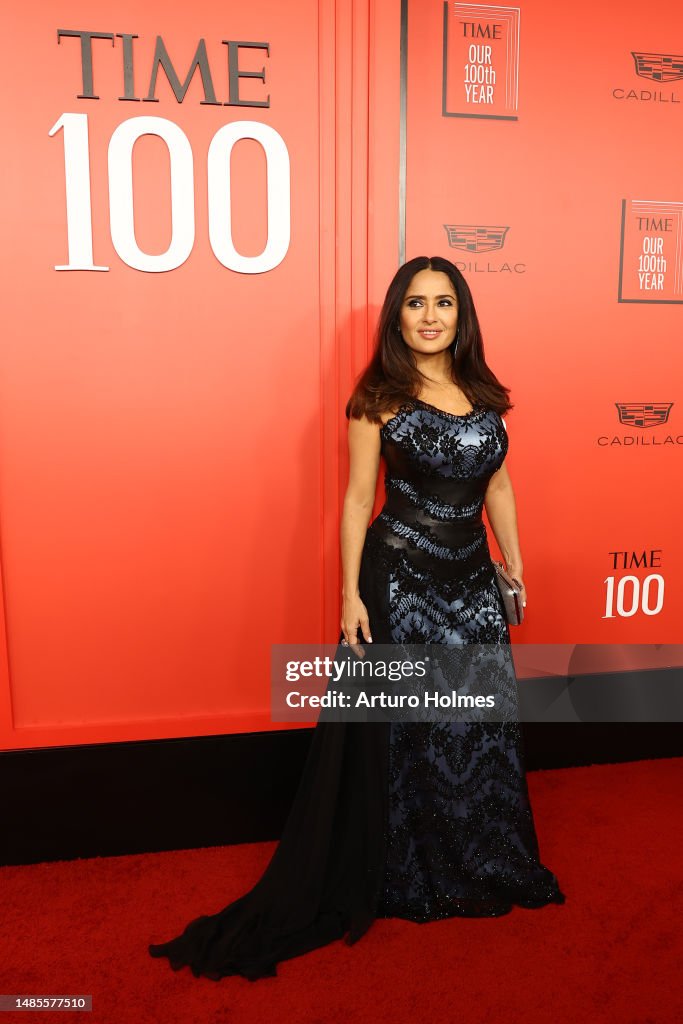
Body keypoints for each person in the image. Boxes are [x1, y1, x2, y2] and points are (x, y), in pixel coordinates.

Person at [148, 255, 565, 982]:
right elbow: (355, 501)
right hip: (400, 578)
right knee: (410, 732)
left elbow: (496, 481)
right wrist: (349, 595)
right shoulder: (378, 399)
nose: (430, 316)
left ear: (461, 315)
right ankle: (407, 868)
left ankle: (480, 854)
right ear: (394, 316)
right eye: (414, 304)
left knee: (473, 722)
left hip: (471, 579)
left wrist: (514, 559)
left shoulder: (483, 393)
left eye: (443, 303)